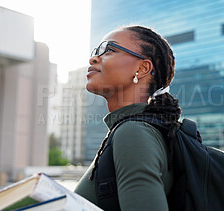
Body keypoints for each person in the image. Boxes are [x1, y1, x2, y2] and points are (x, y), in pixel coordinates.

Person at [74, 25, 181, 210]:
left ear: (142, 67)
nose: (93, 58)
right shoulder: (133, 130)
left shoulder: (133, 132)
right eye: (96, 51)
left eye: (109, 50)